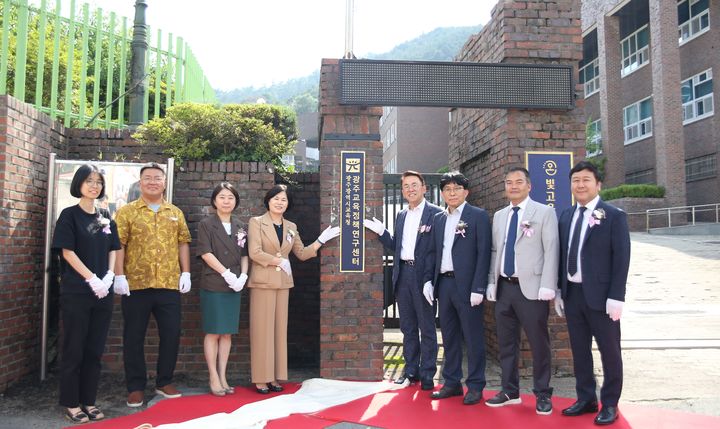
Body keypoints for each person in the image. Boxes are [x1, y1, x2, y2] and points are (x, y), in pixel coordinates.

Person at [555, 161, 631, 426]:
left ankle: (609, 403)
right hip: (573, 294)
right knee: (580, 350)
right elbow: (561, 255)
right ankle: (585, 397)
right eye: (576, 180)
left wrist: (617, 296)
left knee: (610, 352)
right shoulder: (566, 215)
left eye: (586, 180)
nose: (580, 185)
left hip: (602, 298)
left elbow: (621, 258)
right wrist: (558, 291)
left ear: (598, 184)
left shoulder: (613, 215)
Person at [113, 162, 192, 408]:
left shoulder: (175, 212)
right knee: (133, 336)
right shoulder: (127, 212)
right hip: (136, 284)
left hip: (168, 284)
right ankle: (135, 387)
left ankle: (164, 380)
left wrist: (186, 272)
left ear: (164, 182)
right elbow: (119, 244)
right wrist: (119, 275)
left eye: (157, 178)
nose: (153, 182)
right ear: (140, 181)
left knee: (171, 334)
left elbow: (183, 242)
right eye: (148, 178)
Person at [247, 184, 339, 394]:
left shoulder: (291, 226)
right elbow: (254, 252)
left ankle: (276, 377)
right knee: (263, 331)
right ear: (268, 201)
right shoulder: (257, 222)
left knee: (279, 331)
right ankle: (261, 378)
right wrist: (277, 261)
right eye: (276, 198)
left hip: (283, 284)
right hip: (262, 283)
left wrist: (321, 240)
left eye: (284, 200)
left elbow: (302, 253)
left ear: (288, 204)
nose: (280, 202)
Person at [485, 167, 559, 414]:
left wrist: (548, 284)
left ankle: (542, 393)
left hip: (533, 289)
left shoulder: (544, 212)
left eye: (519, 182)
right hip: (505, 288)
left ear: (529, 185)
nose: (513, 186)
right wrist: (491, 283)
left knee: (539, 343)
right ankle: (509, 390)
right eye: (509, 182)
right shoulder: (499, 215)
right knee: (507, 343)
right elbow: (496, 251)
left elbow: (551, 249)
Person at [52, 164, 121, 423]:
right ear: (79, 184)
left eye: (98, 181)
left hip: (102, 293)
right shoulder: (69, 216)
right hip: (77, 292)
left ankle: (89, 400)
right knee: (74, 348)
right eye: (89, 181)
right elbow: (66, 251)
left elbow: (114, 248)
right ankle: (71, 402)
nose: (94, 185)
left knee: (94, 349)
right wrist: (91, 278)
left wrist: (109, 276)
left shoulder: (105, 216)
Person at [364, 171, 441, 390]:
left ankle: (427, 374)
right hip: (403, 275)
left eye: (414, 185)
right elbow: (397, 246)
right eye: (406, 186)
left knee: (427, 328)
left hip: (423, 276)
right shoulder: (401, 215)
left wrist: (430, 280)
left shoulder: (436, 214)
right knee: (407, 328)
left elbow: (438, 251)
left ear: (424, 188)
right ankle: (410, 372)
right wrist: (381, 231)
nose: (410, 189)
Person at [423, 171, 491, 405]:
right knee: (449, 337)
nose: (452, 193)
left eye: (456, 189)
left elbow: (484, 254)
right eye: (447, 190)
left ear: (466, 191)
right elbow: (433, 252)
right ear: (442, 194)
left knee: (472, 338)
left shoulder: (478, 216)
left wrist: (479, 287)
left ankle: (475, 385)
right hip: (445, 284)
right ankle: (451, 382)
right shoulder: (439, 218)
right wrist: (428, 280)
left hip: (468, 286)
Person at [196, 182, 249, 396]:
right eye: (222, 197)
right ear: (214, 201)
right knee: (213, 331)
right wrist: (226, 273)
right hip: (214, 283)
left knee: (227, 333)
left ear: (236, 201)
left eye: (231, 197)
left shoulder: (240, 225)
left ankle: (223, 375)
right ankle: (213, 376)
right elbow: (206, 253)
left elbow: (245, 254)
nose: (226, 201)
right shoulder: (206, 224)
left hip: (235, 284)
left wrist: (243, 275)